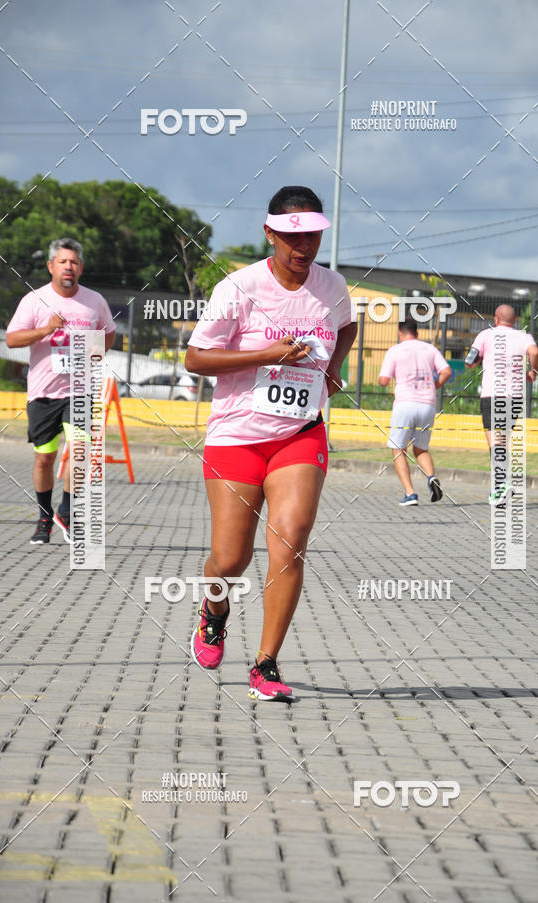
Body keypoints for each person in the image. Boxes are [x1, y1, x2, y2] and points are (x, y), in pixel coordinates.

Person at [185, 186, 357, 702]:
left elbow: (346, 327)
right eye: (291, 236)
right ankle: (213, 612)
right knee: (229, 558)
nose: (302, 247)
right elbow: (195, 358)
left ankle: (266, 665)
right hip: (237, 435)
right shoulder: (239, 288)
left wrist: (331, 372)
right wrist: (265, 353)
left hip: (299, 433)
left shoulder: (333, 287)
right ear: (270, 233)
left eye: (311, 236)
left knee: (289, 541)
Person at [6, 238, 116, 543]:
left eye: (74, 262)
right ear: (51, 266)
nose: (69, 267)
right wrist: (45, 329)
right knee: (45, 458)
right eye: (63, 262)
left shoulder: (94, 301)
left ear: (80, 268)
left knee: (79, 452)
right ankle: (44, 518)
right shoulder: (34, 300)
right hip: (43, 393)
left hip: (79, 390)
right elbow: (12, 340)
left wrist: (94, 353)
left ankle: (66, 512)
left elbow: (109, 334)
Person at [465, 303, 538, 504]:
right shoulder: (524, 337)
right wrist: (533, 371)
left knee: (495, 443)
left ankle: (501, 486)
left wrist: (475, 361)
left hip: (493, 395)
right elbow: (534, 352)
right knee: (502, 441)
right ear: (514, 320)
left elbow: (469, 360)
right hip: (515, 397)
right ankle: (500, 487)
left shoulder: (485, 335)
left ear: (496, 319)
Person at [378, 318, 452, 506]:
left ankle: (410, 493)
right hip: (427, 404)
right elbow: (446, 371)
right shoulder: (430, 349)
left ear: (400, 333)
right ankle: (431, 476)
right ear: (417, 333)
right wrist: (434, 386)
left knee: (398, 449)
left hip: (405, 404)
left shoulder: (395, 350)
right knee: (421, 448)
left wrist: (388, 379)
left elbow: (384, 380)